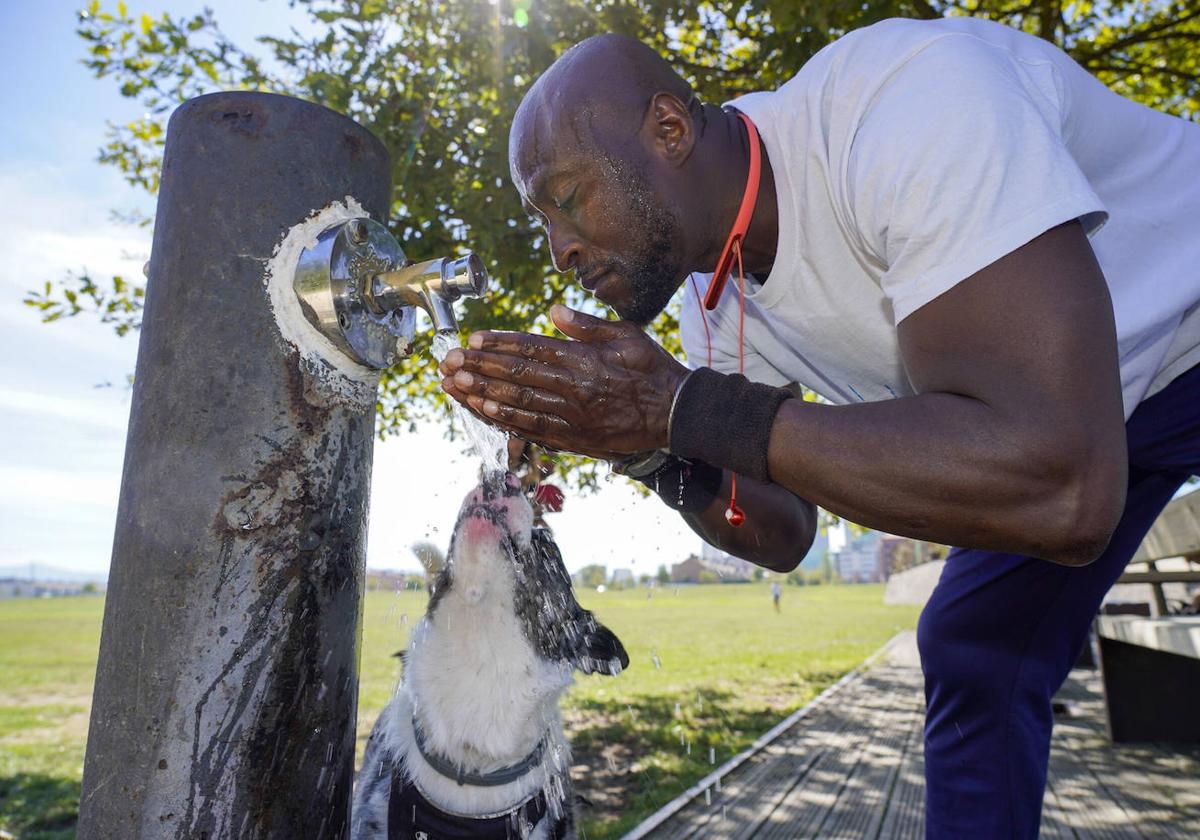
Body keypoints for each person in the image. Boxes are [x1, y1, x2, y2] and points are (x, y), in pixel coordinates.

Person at [438, 18, 1200, 839]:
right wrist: (653, 451)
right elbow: (783, 530)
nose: (559, 251)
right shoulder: (708, 300)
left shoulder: (905, 103)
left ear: (669, 129)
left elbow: (1062, 486)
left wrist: (685, 409)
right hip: (1095, 413)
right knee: (970, 648)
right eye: (541, 222)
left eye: (567, 198)